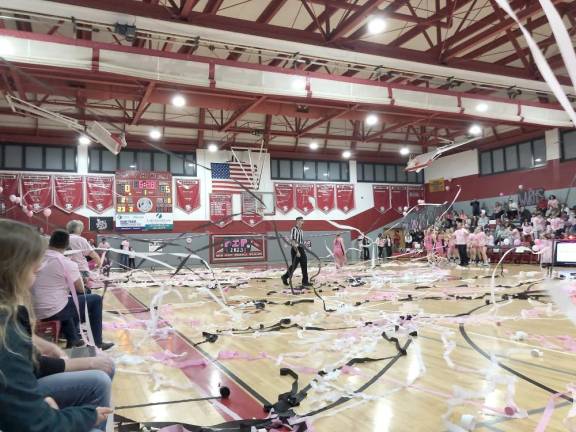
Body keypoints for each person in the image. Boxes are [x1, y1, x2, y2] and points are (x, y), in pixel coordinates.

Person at [0, 219, 113, 432]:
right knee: (89, 300)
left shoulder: (11, 317)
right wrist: (86, 416)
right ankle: (94, 342)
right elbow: (35, 421)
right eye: (34, 271)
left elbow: (25, 363)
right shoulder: (7, 333)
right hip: (56, 309)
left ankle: (74, 337)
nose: (35, 278)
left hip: (44, 311)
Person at [31, 230, 114, 351]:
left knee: (67, 299)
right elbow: (80, 289)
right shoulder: (67, 263)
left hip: (32, 308)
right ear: (67, 246)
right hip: (50, 310)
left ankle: (73, 339)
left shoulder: (36, 259)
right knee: (94, 299)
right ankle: (97, 342)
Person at [67, 220, 101, 286]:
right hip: (81, 270)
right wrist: (99, 264)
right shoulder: (80, 240)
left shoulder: (63, 238)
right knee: (85, 290)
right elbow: (94, 255)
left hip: (66, 270)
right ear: (78, 229)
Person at [281, 217, 311, 287]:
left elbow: (300, 241)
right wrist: (297, 251)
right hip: (295, 249)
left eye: (303, 220)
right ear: (297, 221)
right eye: (301, 220)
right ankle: (285, 277)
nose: (303, 221)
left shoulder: (301, 231)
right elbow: (293, 241)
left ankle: (305, 281)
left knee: (304, 264)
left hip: (301, 248)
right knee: (294, 266)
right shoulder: (294, 229)